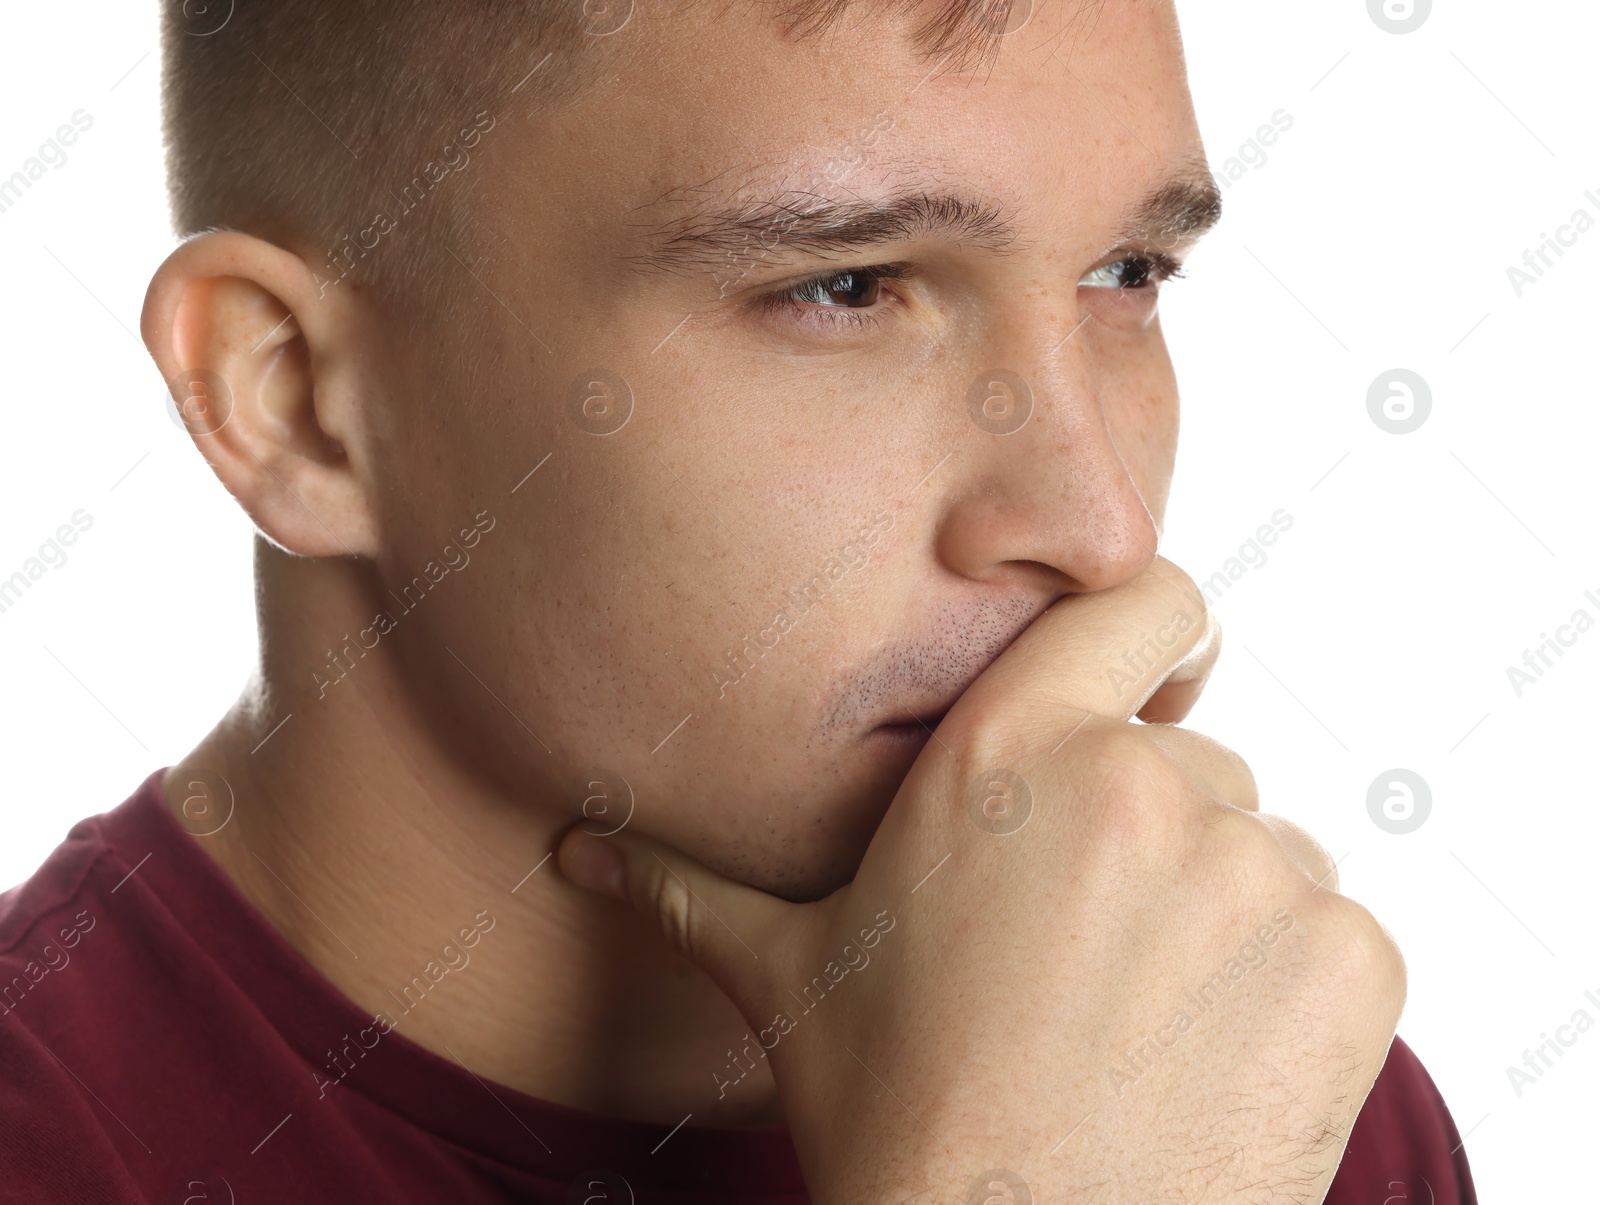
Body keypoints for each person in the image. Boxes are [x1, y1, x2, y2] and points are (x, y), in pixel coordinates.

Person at [0, 1, 1476, 1200]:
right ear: (297, 402)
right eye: (847, 287)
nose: (1103, 533)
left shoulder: (1265, 1080)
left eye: (1124, 270)